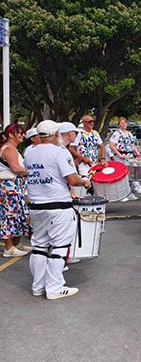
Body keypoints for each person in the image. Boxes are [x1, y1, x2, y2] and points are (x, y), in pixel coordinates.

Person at [25, 120, 91, 299]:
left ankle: (38, 285)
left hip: (37, 205)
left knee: (39, 246)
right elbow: (72, 179)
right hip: (57, 205)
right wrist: (85, 181)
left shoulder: (29, 153)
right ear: (55, 134)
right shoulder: (58, 152)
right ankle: (54, 286)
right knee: (59, 247)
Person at [1, 124, 31, 257]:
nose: (22, 136)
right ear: (11, 134)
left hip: (14, 186)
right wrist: (32, 171)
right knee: (9, 216)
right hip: (9, 186)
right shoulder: (9, 149)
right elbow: (15, 168)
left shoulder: (11, 148)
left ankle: (15, 244)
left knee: (17, 216)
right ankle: (9, 247)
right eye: (19, 133)